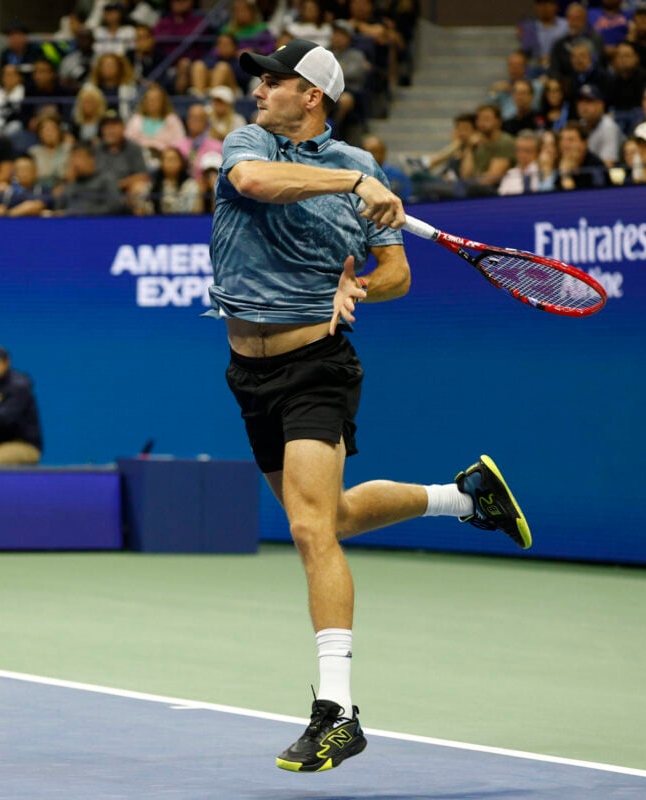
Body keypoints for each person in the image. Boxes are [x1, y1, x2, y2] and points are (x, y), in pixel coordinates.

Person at [209, 39, 531, 774]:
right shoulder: (252, 144)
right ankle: (462, 498)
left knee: (306, 527)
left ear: (312, 94)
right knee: (337, 517)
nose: (259, 88)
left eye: (274, 79)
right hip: (245, 370)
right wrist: (346, 187)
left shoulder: (365, 167)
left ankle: (338, 712)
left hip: (317, 365)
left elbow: (398, 273)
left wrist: (359, 285)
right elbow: (254, 181)